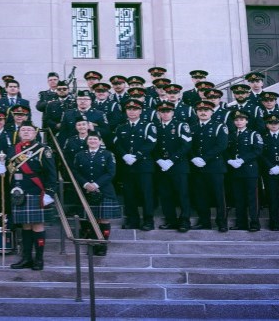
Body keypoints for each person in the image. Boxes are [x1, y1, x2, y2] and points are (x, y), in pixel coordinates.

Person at [7, 124, 56, 271]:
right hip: (18, 193)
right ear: (19, 133)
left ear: (35, 134)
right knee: (25, 226)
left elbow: (51, 173)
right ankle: (26, 258)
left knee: (37, 225)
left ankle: (39, 259)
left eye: (30, 130)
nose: (26, 132)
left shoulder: (43, 149)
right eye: (23, 130)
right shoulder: (12, 149)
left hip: (36, 191)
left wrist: (50, 192)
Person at [113, 99, 157, 231]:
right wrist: (124, 155)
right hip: (127, 165)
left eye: (135, 109)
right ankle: (133, 220)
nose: (132, 112)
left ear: (140, 111)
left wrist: (137, 156)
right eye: (129, 109)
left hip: (144, 166)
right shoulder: (121, 127)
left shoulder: (148, 126)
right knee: (129, 194)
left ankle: (148, 220)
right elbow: (116, 143)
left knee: (146, 194)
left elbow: (151, 142)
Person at [72, 134, 119, 256]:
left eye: (95, 139)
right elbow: (75, 171)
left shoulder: (108, 154)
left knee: (103, 219)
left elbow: (111, 172)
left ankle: (103, 246)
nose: (93, 141)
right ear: (87, 141)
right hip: (86, 190)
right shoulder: (79, 155)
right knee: (91, 219)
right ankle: (93, 244)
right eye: (90, 139)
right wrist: (86, 184)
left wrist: (96, 184)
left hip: (104, 191)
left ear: (100, 141)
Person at [152, 101, 192, 232]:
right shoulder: (155, 126)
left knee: (182, 194)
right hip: (162, 166)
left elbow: (186, 145)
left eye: (167, 111)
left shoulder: (181, 125)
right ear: (159, 113)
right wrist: (159, 160)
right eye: (162, 111)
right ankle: (170, 220)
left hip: (178, 165)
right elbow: (152, 145)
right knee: (165, 195)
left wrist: (171, 160)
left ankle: (185, 221)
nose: (165, 114)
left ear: (173, 112)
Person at [189, 101, 229, 231]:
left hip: (214, 166)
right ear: (196, 112)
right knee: (201, 196)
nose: (203, 112)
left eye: (206, 110)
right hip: (197, 167)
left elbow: (222, 145)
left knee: (219, 196)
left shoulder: (219, 126)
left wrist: (204, 158)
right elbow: (188, 145)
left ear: (212, 112)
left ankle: (222, 222)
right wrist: (194, 157)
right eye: (200, 110)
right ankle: (204, 221)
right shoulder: (192, 127)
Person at [225, 111, 264, 231]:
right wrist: (229, 160)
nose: (239, 122)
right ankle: (241, 223)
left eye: (241, 119)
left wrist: (242, 160)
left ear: (246, 121)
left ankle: (254, 223)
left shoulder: (253, 134)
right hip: (235, 171)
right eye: (236, 120)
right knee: (238, 198)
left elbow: (258, 150)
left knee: (252, 198)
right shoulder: (230, 135)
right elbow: (225, 149)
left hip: (249, 170)